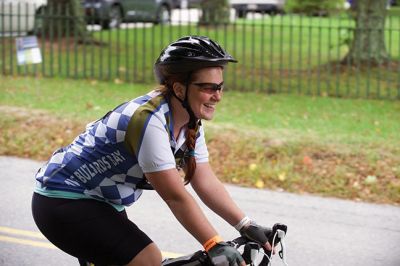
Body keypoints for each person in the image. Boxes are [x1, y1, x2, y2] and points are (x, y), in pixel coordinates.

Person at [31, 35, 273, 266]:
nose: (218, 96)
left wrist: (245, 224)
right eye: (208, 87)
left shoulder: (189, 120)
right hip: (62, 199)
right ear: (180, 89)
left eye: (220, 87)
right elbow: (175, 196)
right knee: (147, 259)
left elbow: (204, 180)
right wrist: (213, 243)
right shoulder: (148, 121)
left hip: (101, 202)